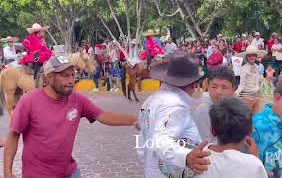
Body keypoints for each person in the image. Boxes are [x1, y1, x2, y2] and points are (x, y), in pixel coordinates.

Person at [4, 55, 138, 178]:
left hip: (69, 172)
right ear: (50, 77)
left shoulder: (77, 99)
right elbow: (13, 135)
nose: (71, 81)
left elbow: (103, 116)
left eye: (73, 75)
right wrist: (7, 172)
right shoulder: (29, 101)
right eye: (65, 76)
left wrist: (134, 120)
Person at [137, 52, 210, 178]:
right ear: (193, 84)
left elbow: (143, 140)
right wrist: (186, 157)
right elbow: (161, 141)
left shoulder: (151, 100)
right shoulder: (175, 107)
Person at [196, 97, 268, 178]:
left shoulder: (197, 157)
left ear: (212, 131)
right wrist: (255, 158)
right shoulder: (254, 164)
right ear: (250, 131)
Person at [193, 66, 236, 143]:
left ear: (233, 89)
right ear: (208, 86)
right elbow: (206, 143)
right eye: (214, 87)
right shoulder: (204, 110)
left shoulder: (232, 104)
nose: (218, 92)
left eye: (224, 88)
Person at [236, 45, 267, 115]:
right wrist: (237, 92)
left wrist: (260, 84)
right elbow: (242, 84)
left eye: (253, 55)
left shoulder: (257, 66)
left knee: (256, 115)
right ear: (246, 57)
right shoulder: (243, 68)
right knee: (247, 116)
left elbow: (257, 80)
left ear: (256, 57)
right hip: (248, 96)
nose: (251, 57)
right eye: (249, 56)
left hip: (257, 95)